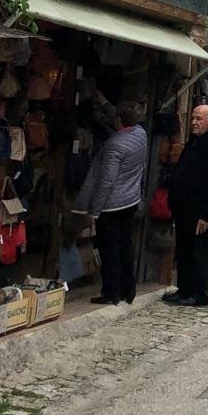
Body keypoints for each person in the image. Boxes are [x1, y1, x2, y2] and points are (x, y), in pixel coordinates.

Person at [77, 99, 147, 305]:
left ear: (118, 121)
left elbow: (107, 181)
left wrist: (95, 210)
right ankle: (129, 288)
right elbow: (124, 116)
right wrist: (106, 102)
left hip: (112, 204)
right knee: (125, 244)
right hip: (131, 199)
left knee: (110, 250)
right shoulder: (140, 135)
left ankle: (111, 292)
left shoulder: (114, 146)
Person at [164, 101, 208, 307]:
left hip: (199, 210)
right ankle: (184, 289)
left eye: (198, 119)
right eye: (193, 118)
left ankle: (199, 293)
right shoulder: (194, 142)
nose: (194, 122)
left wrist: (207, 214)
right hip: (183, 208)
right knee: (184, 250)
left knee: (198, 252)